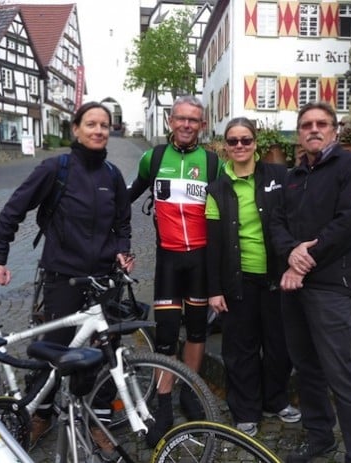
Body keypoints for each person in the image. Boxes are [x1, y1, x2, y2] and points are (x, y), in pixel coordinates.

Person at [0, 101, 134, 460]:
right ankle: (40, 414)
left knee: (103, 349)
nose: (98, 130)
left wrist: (122, 250)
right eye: (91, 124)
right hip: (62, 276)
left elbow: (123, 221)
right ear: (76, 129)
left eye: (104, 125)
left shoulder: (112, 174)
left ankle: (95, 420)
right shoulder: (56, 168)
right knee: (53, 347)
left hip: (104, 278)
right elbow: (14, 210)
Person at [270, 101, 351, 463]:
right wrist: (290, 254)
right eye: (306, 125)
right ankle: (320, 437)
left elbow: (348, 223)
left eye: (321, 123)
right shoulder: (294, 176)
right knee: (306, 366)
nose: (314, 129)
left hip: (330, 284)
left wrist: (302, 263)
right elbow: (277, 224)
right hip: (294, 284)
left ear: (335, 129)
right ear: (299, 133)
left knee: (338, 370)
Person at [128, 95, 222, 446]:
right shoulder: (152, 158)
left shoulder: (213, 163)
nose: (186, 125)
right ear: (170, 121)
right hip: (168, 259)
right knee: (166, 333)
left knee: (197, 331)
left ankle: (191, 392)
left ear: (202, 124)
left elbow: (228, 210)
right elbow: (126, 198)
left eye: (193, 120)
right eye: (181, 118)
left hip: (200, 260)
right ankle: (164, 403)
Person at [205, 117, 300, 437]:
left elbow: (297, 216)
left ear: (256, 143)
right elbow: (214, 245)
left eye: (246, 140)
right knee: (240, 348)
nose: (240, 146)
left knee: (279, 345)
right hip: (239, 280)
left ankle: (275, 400)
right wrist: (214, 289)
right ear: (225, 147)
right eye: (233, 141)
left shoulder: (278, 176)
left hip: (276, 277)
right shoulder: (217, 188)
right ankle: (245, 409)